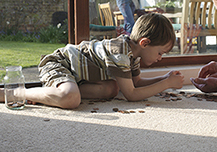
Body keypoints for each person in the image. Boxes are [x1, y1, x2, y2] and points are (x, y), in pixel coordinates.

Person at [0, 13, 184, 109]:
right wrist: (166, 83)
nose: (160, 59)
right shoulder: (120, 52)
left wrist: (164, 77)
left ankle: (53, 93)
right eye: (160, 53)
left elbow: (136, 83)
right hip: (60, 63)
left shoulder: (133, 55)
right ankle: (17, 93)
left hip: (78, 75)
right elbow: (132, 95)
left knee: (112, 88)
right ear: (145, 43)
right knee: (71, 99)